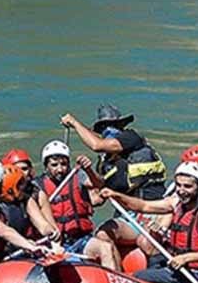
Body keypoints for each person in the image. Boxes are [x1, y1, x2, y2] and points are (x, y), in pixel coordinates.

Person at [99, 162, 198, 283]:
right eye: (178, 185)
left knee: (139, 277)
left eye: (188, 186)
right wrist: (116, 195)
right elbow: (143, 206)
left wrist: (186, 258)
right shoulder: (176, 202)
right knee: (153, 261)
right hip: (178, 269)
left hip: (197, 276)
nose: (181, 191)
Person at [62, 104, 168, 252]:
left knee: (146, 242)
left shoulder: (131, 138)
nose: (109, 129)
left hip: (151, 209)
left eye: (113, 125)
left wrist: (74, 123)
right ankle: (112, 272)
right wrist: (88, 170)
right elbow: (101, 188)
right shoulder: (105, 163)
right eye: (104, 126)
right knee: (103, 235)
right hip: (127, 215)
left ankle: (155, 269)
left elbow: (96, 145)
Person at [35, 140, 121, 271]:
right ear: (46, 166)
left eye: (64, 164)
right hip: (53, 243)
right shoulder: (37, 186)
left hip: (80, 239)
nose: (60, 169)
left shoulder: (77, 176)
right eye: (54, 165)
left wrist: (88, 169)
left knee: (105, 247)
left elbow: (98, 184)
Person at [0, 164, 58, 241]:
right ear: (9, 189)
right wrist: (27, 244)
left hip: (25, 245)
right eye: (20, 184)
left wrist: (50, 232)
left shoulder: (27, 200)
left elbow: (41, 224)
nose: (24, 186)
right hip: (7, 249)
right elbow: (4, 233)